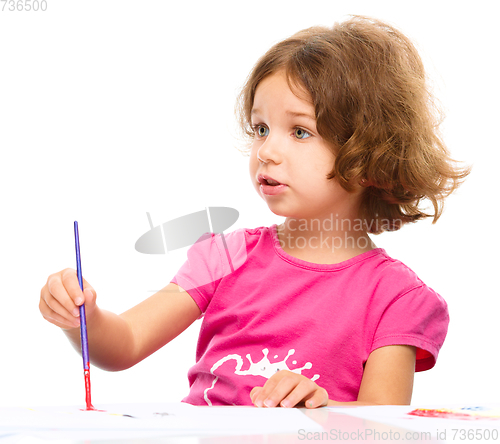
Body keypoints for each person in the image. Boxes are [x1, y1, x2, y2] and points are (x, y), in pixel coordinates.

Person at [39, 15, 470, 408]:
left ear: (368, 158)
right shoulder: (223, 257)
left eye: (300, 131)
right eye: (262, 128)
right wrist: (82, 319)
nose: (266, 151)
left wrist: (322, 407)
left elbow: (385, 424)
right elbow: (127, 343)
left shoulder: (396, 298)